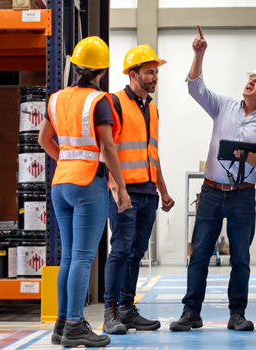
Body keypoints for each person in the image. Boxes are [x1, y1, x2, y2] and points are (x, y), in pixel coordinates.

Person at [169, 25, 256, 332]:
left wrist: (248, 155)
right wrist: (198, 54)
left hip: (243, 195)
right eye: (249, 79)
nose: (250, 83)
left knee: (241, 258)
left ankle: (237, 314)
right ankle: (191, 312)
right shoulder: (224, 106)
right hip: (211, 192)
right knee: (200, 253)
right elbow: (195, 88)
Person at [38, 36, 132, 348]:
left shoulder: (56, 98)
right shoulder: (99, 101)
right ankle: (76, 325)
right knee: (82, 256)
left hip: (60, 183)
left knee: (68, 257)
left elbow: (44, 140)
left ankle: (63, 323)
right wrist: (120, 187)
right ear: (102, 69)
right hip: (88, 184)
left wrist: (67, 161)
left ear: (77, 66)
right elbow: (107, 146)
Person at [102, 45, 174, 334]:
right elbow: (109, 150)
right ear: (133, 74)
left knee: (136, 253)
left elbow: (151, 155)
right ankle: (111, 312)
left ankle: (128, 308)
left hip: (147, 193)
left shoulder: (152, 108)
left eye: (156, 71)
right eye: (149, 72)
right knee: (120, 250)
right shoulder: (115, 103)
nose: (155, 76)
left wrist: (163, 190)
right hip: (123, 192)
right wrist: (119, 188)